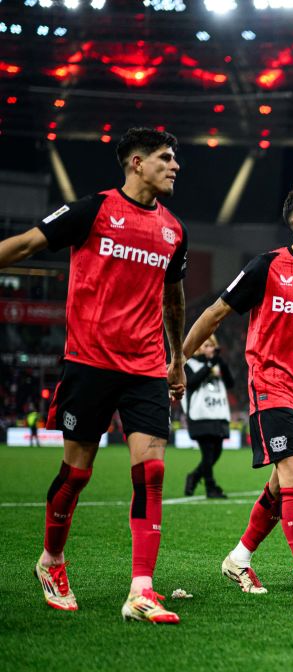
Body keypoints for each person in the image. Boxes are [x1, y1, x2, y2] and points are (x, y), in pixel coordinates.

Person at [0, 127, 187, 622]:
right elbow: (26, 244)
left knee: (152, 473)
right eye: (165, 158)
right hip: (89, 362)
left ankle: (142, 590)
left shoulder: (174, 230)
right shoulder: (93, 210)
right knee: (77, 474)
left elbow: (173, 298)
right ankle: (51, 559)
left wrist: (176, 358)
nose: (175, 166)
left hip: (146, 366)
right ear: (136, 162)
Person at [183, 188, 293, 609]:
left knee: (281, 486)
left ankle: (238, 558)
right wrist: (177, 361)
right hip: (270, 386)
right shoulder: (267, 266)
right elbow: (214, 313)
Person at [183, 335, 234, 499]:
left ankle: (194, 476)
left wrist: (221, 363)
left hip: (218, 413)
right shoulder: (189, 364)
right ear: (198, 347)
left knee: (216, 452)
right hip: (200, 414)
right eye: (205, 345)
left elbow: (231, 383)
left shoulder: (218, 363)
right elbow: (191, 382)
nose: (209, 349)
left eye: (212, 345)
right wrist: (210, 365)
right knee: (207, 453)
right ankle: (211, 487)